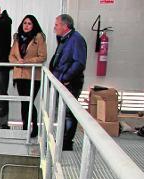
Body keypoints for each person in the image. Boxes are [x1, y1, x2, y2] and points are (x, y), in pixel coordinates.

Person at [50, 14, 87, 150]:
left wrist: (66, 78)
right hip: (61, 82)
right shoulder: (65, 39)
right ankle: (62, 138)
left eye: (57, 25)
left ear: (66, 26)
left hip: (70, 83)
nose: (55, 27)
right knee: (62, 112)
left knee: (69, 114)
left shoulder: (76, 39)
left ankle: (66, 143)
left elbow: (79, 63)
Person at [9, 15, 47, 137]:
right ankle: (25, 127)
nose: (26, 26)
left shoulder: (39, 37)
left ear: (34, 25)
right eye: (25, 23)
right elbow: (11, 56)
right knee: (24, 102)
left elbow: (42, 57)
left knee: (29, 102)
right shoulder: (17, 37)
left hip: (32, 76)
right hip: (19, 75)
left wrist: (27, 61)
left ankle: (34, 127)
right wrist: (18, 61)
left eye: (29, 23)